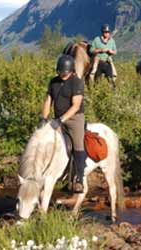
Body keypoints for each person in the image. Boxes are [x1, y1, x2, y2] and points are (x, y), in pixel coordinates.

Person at [42, 55, 86, 193]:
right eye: (60, 72)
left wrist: (61, 120)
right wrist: (43, 118)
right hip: (56, 118)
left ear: (71, 71)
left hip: (74, 119)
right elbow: (48, 100)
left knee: (78, 144)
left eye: (65, 73)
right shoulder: (53, 82)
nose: (62, 75)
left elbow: (76, 105)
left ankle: (79, 179)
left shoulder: (76, 82)